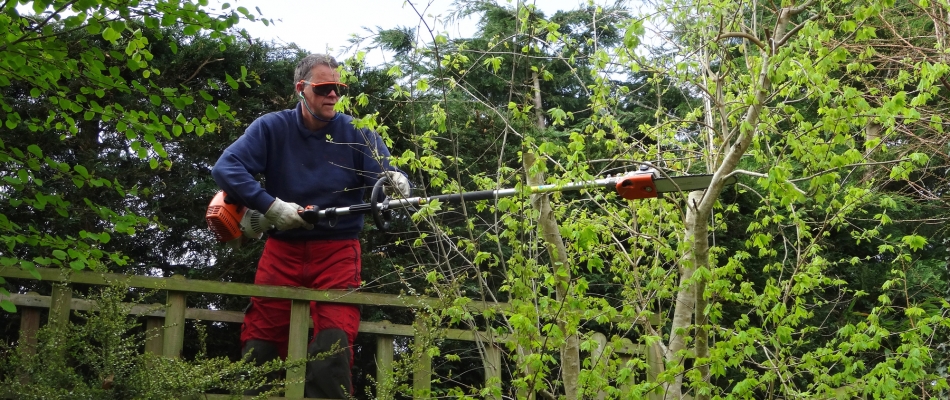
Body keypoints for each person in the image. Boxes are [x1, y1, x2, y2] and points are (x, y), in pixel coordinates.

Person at [211, 53, 410, 398]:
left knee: (332, 349)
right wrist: (270, 207)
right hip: (281, 250)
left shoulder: (357, 132)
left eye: (338, 88)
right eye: (324, 88)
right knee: (261, 345)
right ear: (301, 89)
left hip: (338, 252)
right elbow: (226, 169)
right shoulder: (272, 128)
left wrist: (396, 179)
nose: (332, 95)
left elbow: (383, 175)